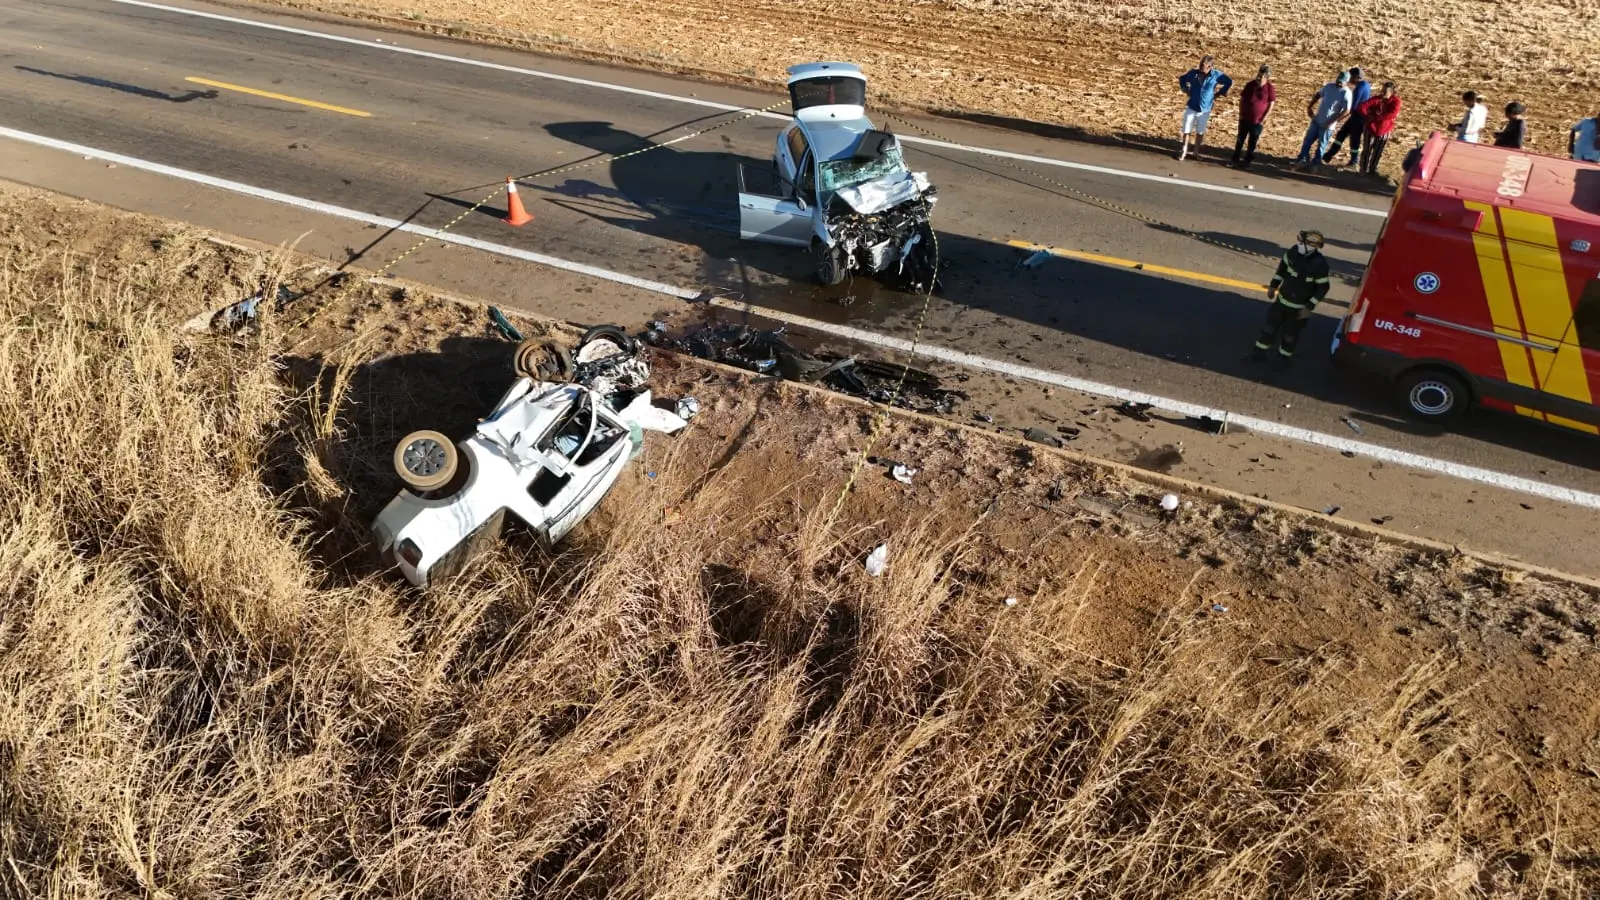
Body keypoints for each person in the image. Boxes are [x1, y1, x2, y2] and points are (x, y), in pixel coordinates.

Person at [1254, 230, 1331, 362]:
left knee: (1289, 336)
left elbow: (1323, 288)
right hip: (1281, 302)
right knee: (1269, 329)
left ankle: (1283, 358)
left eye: (1302, 242)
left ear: (1312, 245)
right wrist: (1273, 286)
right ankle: (1258, 354)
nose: (1299, 244)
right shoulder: (1292, 253)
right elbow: (1281, 271)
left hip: (1298, 309)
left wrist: (1309, 307)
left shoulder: (1320, 264)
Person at [1177, 55, 1234, 161]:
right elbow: (1182, 79)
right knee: (1186, 129)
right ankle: (1184, 150)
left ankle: (1196, 152)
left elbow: (1229, 82)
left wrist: (1221, 92)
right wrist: (1185, 89)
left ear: (1210, 67)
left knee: (1200, 131)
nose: (1200, 67)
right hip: (1192, 106)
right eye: (1200, 64)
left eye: (1203, 65)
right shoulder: (1193, 73)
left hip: (1205, 108)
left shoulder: (1216, 75)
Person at [1294, 72, 1352, 169]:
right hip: (1317, 120)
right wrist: (1310, 106)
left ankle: (1316, 162)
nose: (1339, 83)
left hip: (1328, 125)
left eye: (1342, 82)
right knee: (1307, 140)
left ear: (1346, 82)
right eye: (1338, 81)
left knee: (1322, 145)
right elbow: (1318, 94)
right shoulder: (1329, 86)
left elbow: (1347, 111)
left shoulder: (1346, 93)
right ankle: (1303, 158)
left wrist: (1335, 121)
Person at [1323, 66, 1372, 165]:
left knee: (1354, 138)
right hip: (1356, 116)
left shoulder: (1361, 87)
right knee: (1342, 134)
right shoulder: (1364, 85)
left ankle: (1353, 161)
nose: (1349, 79)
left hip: (1359, 117)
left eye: (1350, 77)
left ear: (1356, 77)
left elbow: (1353, 106)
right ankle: (1328, 156)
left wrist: (1338, 119)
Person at [1231, 65, 1276, 168]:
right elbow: (1242, 100)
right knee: (1240, 139)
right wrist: (1241, 113)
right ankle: (1235, 158)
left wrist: (1264, 118)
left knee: (1253, 141)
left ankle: (1247, 161)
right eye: (1258, 75)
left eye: (1262, 76)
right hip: (1245, 117)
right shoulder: (1250, 85)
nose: (1259, 78)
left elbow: (1271, 104)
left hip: (1258, 120)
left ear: (1267, 77)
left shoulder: (1269, 88)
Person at [1356, 82, 1403, 176]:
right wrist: (1367, 117)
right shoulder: (1377, 99)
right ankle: (1363, 169)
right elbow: (1362, 107)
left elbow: (1392, 114)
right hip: (1371, 128)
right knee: (1366, 149)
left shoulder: (1396, 101)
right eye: (1382, 90)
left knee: (1378, 151)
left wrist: (1377, 118)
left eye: (1385, 91)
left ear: (1391, 92)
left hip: (1384, 129)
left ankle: (1372, 169)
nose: (1382, 93)